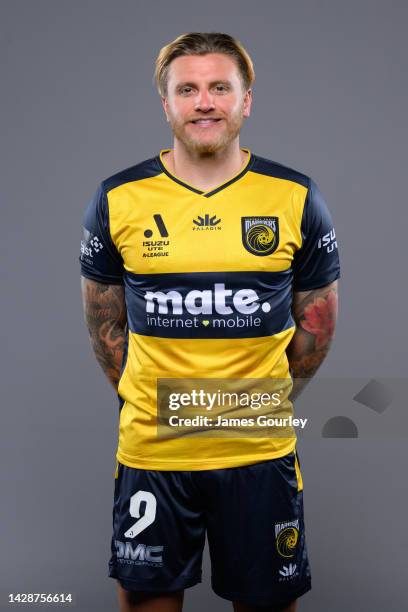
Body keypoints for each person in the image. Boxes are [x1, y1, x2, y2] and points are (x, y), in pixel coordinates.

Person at [79, 32, 340, 612]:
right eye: (187, 89)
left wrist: (254, 402)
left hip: (258, 453)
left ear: (246, 101)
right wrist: (155, 404)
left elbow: (316, 326)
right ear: (166, 104)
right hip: (155, 454)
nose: (204, 102)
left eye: (220, 87)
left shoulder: (294, 195)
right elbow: (105, 326)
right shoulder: (118, 197)